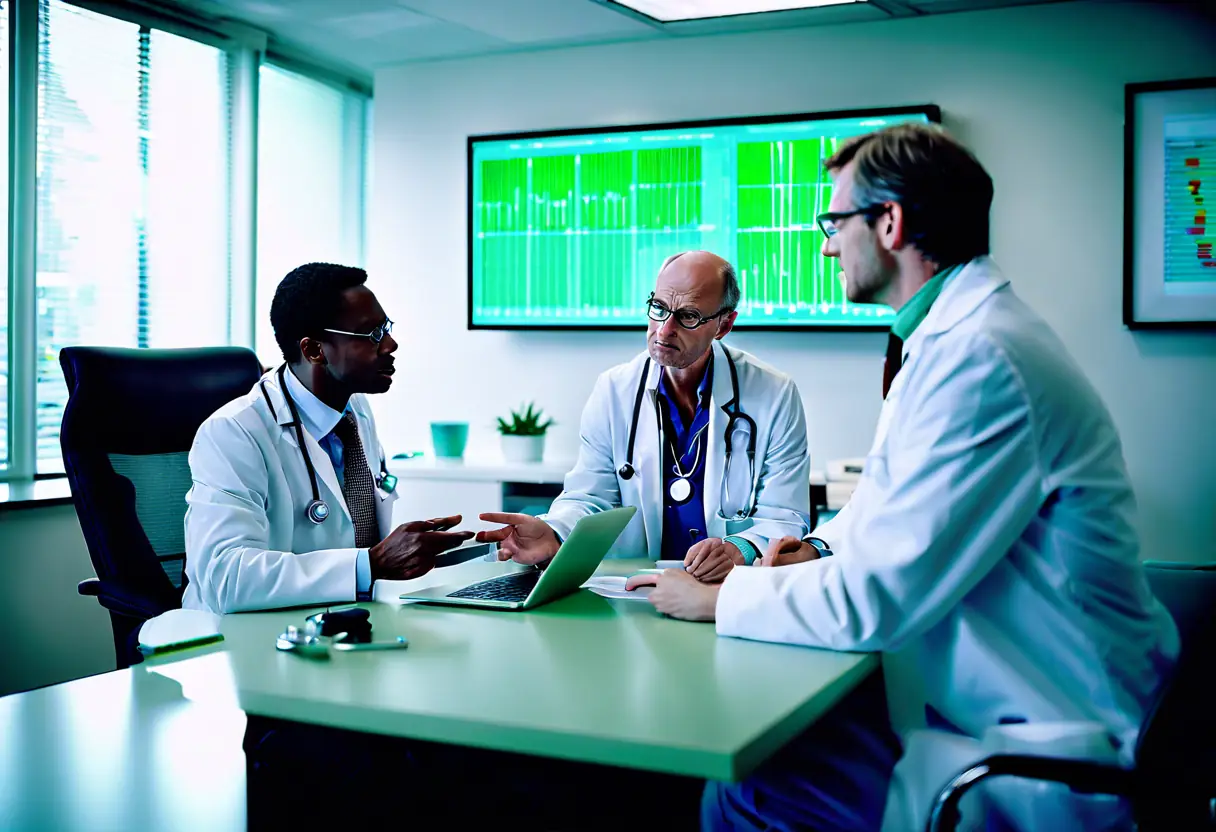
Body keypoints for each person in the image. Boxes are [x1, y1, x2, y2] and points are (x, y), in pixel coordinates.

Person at [626, 124, 1179, 831]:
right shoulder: (955, 338)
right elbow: (886, 513)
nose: (826, 244)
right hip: (991, 703)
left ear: (889, 223)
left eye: (834, 221)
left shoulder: (981, 357)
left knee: (746, 794)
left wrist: (723, 599)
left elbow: (879, 598)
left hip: (1045, 748)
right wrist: (819, 549)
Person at [478, 251, 811, 582]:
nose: (664, 331)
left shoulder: (774, 394)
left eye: (689, 316)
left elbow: (786, 516)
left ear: (724, 324)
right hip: (636, 590)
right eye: (659, 309)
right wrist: (554, 532)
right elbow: (590, 497)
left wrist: (740, 547)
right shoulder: (614, 390)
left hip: (727, 592)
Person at [183, 263, 474, 614]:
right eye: (372, 334)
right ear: (314, 350)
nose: (391, 344)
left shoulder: (355, 410)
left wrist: (407, 552)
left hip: (335, 623)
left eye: (386, 327)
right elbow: (225, 578)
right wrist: (370, 564)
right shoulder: (233, 433)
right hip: (238, 643)